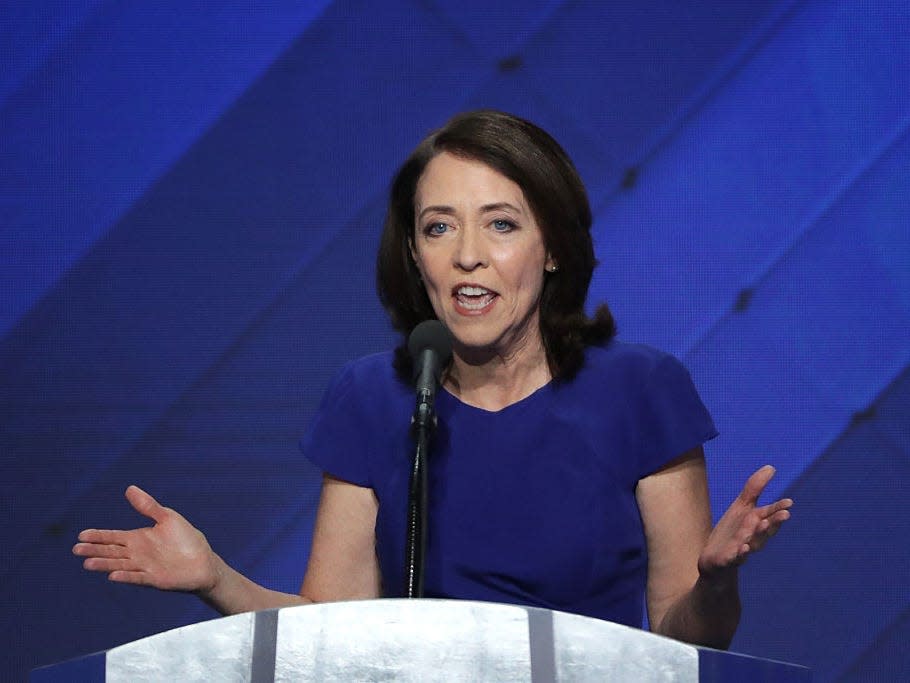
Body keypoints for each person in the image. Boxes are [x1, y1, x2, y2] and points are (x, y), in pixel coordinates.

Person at [73, 110, 791, 649]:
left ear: (552, 249)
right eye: (439, 227)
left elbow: (686, 643)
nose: (468, 256)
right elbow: (335, 632)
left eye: (501, 225)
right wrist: (215, 578)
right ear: (415, 254)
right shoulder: (370, 397)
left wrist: (719, 578)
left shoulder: (640, 389)